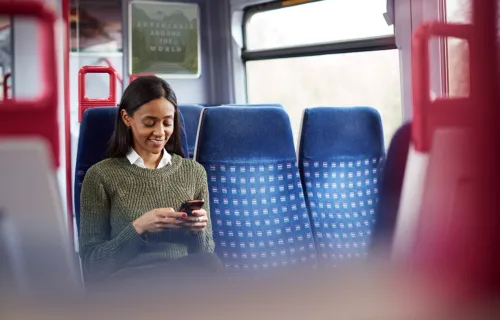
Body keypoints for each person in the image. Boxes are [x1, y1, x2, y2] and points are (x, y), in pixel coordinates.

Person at [78, 76, 221, 286]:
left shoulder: (194, 173)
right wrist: (138, 228)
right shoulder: (100, 176)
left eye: (167, 123)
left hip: (184, 279)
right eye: (149, 123)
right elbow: (93, 266)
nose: (160, 132)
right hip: (131, 282)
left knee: (211, 264)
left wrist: (197, 230)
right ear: (127, 118)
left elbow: (204, 254)